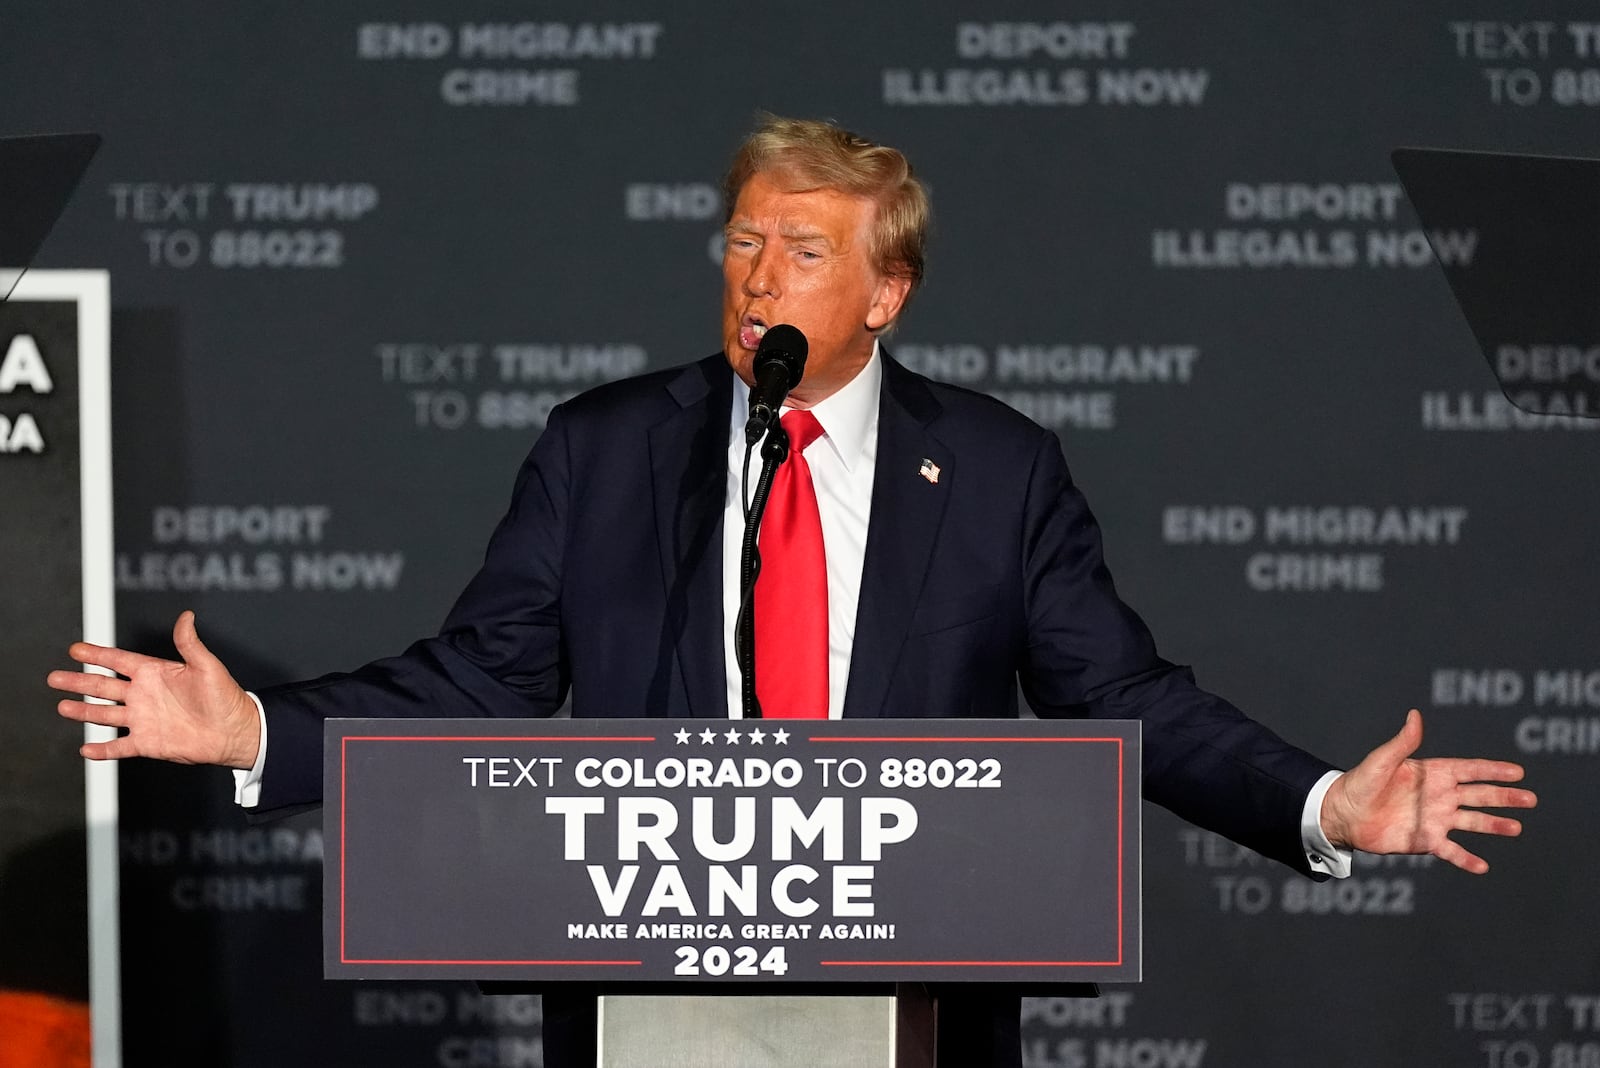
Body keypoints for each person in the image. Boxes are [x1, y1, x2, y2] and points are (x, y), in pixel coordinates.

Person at [48, 115, 1536, 1067]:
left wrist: (1323, 803)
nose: (759, 274)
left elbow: (1121, 697)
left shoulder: (1000, 471)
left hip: (917, 1002)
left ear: (886, 292)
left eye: (803, 250)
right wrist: (256, 735)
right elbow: (480, 681)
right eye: (744, 240)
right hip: (647, 987)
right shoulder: (610, 449)